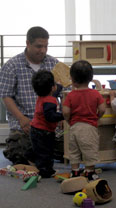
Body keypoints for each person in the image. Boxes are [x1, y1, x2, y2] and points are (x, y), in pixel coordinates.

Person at [0, 26, 59, 164]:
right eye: (39, 46)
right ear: (28, 43)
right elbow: (6, 96)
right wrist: (21, 118)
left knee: (76, 142)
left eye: (46, 46)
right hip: (25, 123)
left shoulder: (54, 63)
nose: (43, 50)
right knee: (18, 150)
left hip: (50, 123)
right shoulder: (11, 66)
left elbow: (64, 92)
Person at [62, 60, 106, 180]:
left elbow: (65, 111)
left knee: (74, 150)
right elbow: (102, 109)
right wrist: (97, 117)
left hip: (74, 127)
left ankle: (75, 171)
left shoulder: (70, 95)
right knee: (90, 150)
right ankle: (89, 172)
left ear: (72, 79)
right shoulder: (95, 94)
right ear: (91, 78)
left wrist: (68, 120)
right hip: (89, 127)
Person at [30, 70, 64, 178]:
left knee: (39, 150)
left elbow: (55, 91)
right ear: (51, 88)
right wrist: (63, 115)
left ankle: (30, 157)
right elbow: (50, 117)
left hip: (35, 129)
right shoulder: (50, 100)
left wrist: (59, 85)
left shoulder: (42, 95)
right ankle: (45, 171)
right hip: (44, 132)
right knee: (46, 152)